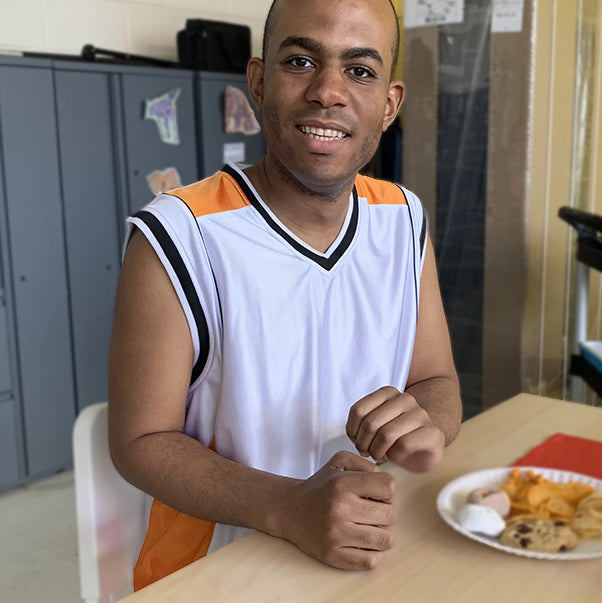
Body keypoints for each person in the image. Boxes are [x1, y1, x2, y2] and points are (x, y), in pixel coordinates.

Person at [108, 0, 462, 591]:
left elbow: (437, 384)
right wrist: (287, 507)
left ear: (390, 103)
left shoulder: (403, 218)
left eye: (360, 70)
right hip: (217, 569)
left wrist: (428, 427)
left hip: (370, 549)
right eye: (301, 60)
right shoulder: (179, 232)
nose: (328, 91)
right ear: (259, 81)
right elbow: (141, 442)